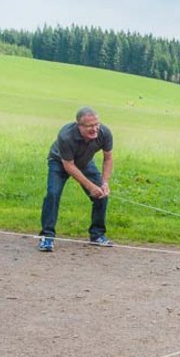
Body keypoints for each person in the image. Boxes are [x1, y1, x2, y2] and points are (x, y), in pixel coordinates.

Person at [37, 106, 116, 252]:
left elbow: (108, 158)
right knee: (53, 194)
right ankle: (47, 236)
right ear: (79, 125)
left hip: (85, 162)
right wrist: (90, 186)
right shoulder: (66, 136)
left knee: (102, 195)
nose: (95, 129)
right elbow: (69, 166)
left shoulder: (104, 133)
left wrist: (104, 183)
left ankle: (97, 235)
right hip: (59, 162)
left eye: (96, 124)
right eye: (89, 126)